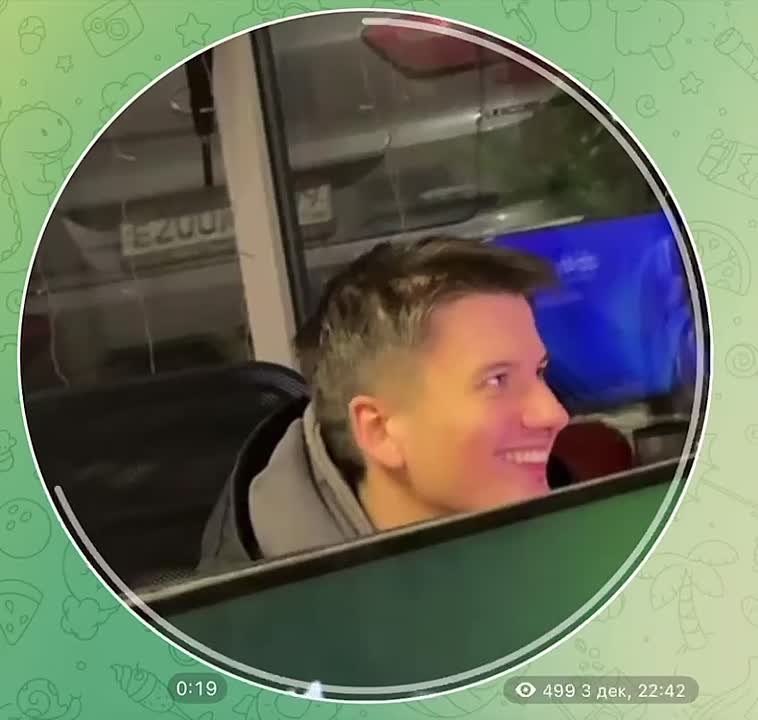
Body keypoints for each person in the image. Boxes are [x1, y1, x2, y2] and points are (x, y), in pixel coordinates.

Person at [198, 236, 569, 572]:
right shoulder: (259, 622)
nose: (554, 414)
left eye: (538, 372)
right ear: (380, 431)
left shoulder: (561, 530)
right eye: (497, 380)